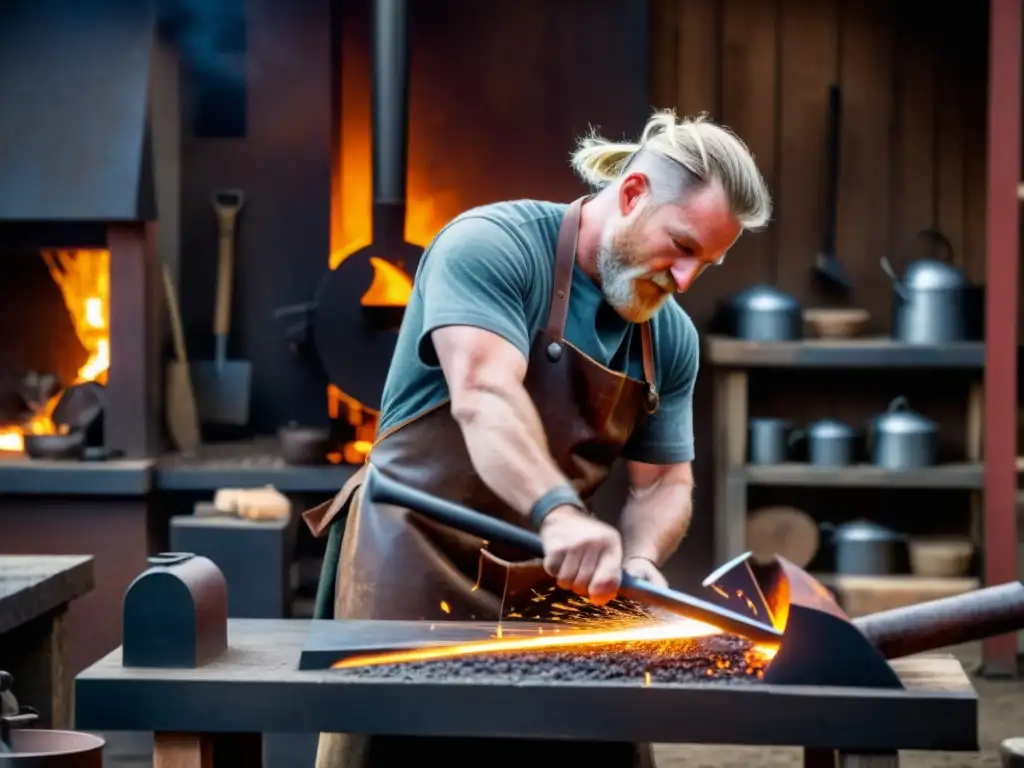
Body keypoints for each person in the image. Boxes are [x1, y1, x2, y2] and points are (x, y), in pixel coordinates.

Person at [303, 109, 772, 768]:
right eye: (683, 245)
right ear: (634, 194)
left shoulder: (670, 337)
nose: (686, 279)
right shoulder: (492, 245)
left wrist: (639, 561)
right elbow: (485, 396)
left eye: (708, 262)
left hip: (553, 591)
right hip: (412, 575)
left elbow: (665, 483)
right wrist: (558, 511)